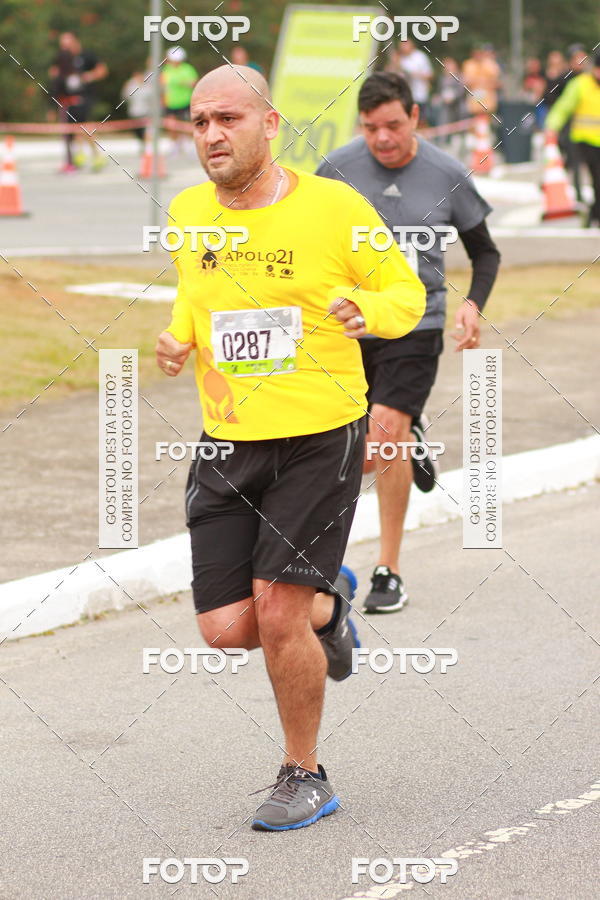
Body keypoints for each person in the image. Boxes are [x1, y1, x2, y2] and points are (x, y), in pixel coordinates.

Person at [155, 65, 425, 830]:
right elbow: (193, 291)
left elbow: (406, 293)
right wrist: (180, 338)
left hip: (318, 434)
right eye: (201, 121)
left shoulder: (335, 208)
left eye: (229, 118)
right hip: (228, 440)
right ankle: (328, 607)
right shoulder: (185, 212)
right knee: (227, 628)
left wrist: (363, 307)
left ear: (270, 125)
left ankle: (303, 773)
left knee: (276, 611)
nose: (212, 133)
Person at [316, 72, 500, 613]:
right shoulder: (337, 170)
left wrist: (472, 305)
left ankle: (388, 569)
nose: (383, 139)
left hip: (415, 327)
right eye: (371, 128)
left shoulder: (446, 173)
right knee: (356, 450)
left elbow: (485, 252)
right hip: (350, 327)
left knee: (382, 435)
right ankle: (404, 439)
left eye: (393, 125)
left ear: (415, 118)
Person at [546, 50, 600, 227]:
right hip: (584, 140)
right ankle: (591, 211)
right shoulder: (580, 84)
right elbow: (563, 107)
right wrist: (551, 128)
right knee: (592, 178)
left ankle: (593, 212)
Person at [48, 32, 108, 173]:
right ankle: (79, 154)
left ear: (75, 42)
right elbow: (54, 73)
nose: (65, 48)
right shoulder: (62, 58)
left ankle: (95, 154)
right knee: (74, 127)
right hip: (68, 99)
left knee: (83, 125)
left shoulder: (87, 56)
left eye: (67, 45)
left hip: (84, 97)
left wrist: (89, 76)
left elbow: (102, 70)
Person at [161, 47, 199, 153]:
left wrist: (183, 83)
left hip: (185, 102)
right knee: (172, 125)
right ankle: (174, 146)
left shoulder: (188, 69)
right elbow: (163, 86)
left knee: (187, 125)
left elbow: (194, 83)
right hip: (171, 103)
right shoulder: (166, 70)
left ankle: (190, 145)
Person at [389, 39, 433, 123]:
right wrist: (393, 63)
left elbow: (430, 75)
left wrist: (413, 74)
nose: (403, 47)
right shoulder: (400, 59)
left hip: (420, 95)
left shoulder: (420, 57)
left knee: (421, 121)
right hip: (405, 96)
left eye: (405, 45)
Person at [462, 44, 501, 116]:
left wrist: (481, 82)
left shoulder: (491, 64)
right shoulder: (468, 64)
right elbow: (466, 81)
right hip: (474, 97)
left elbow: (497, 82)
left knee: (486, 117)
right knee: (475, 118)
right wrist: (481, 81)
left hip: (488, 98)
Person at [121, 66, 154, 149]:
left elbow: (152, 98)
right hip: (134, 113)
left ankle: (148, 149)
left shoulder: (148, 86)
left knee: (146, 132)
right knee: (138, 132)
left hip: (146, 113)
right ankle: (143, 146)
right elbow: (125, 98)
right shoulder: (130, 85)